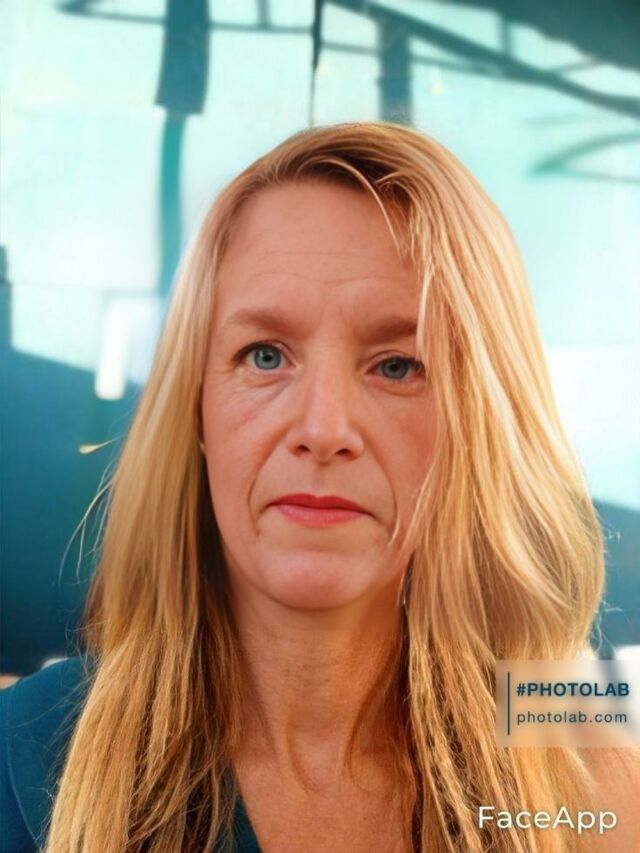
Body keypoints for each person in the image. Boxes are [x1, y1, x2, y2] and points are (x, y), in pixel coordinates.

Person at [1, 121, 638, 853]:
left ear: (478, 423)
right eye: (264, 355)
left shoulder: (586, 765)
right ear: (196, 408)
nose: (324, 428)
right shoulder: (25, 750)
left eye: (398, 365)